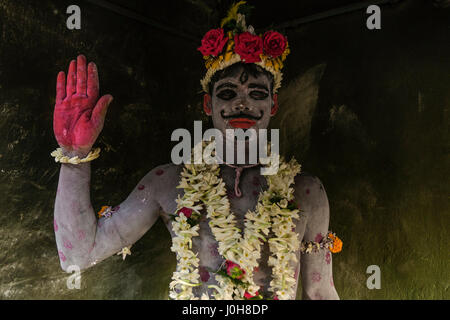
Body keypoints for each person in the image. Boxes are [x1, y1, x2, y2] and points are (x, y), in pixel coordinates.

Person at [52, 3, 341, 300]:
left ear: (273, 105)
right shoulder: (168, 182)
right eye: (228, 93)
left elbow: (320, 292)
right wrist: (74, 153)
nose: (242, 104)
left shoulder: (306, 191)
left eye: (257, 94)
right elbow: (77, 257)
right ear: (208, 104)